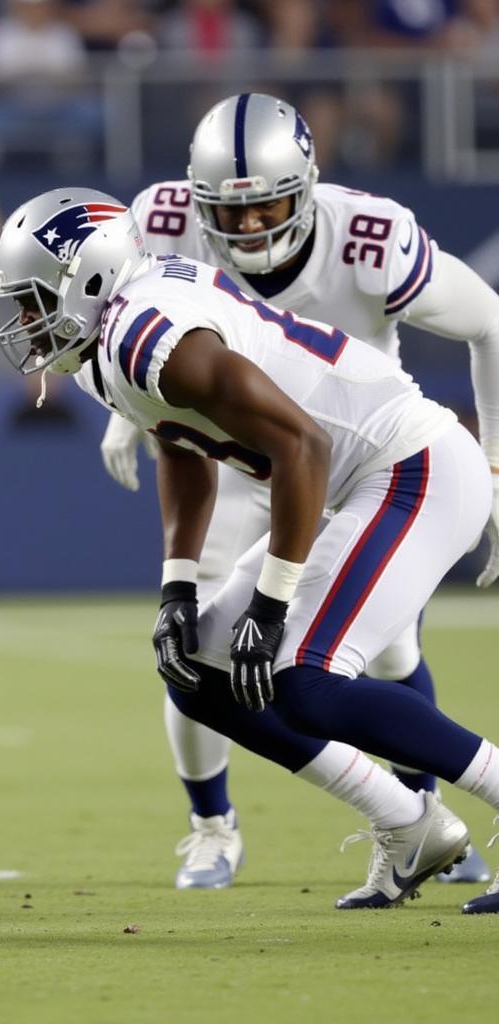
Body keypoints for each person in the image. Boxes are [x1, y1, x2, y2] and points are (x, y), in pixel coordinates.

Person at [0, 185, 499, 917]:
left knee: (308, 681)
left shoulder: (146, 333)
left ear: (87, 278)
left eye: (34, 300)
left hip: (413, 465)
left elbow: (303, 443)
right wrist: (177, 587)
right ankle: (410, 825)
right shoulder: (111, 341)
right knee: (194, 670)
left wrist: (271, 601)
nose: (26, 322)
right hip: (351, 481)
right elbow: (181, 445)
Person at [98, 93, 499, 889]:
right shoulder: (149, 249)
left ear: (309, 184)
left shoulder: (370, 239)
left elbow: (488, 320)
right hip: (254, 456)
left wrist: (498, 471)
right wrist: (130, 421)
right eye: (229, 213)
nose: (248, 230)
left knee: (336, 666)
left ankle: (425, 815)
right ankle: (366, 824)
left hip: (373, 456)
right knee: (198, 661)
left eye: (268, 207)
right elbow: (178, 423)